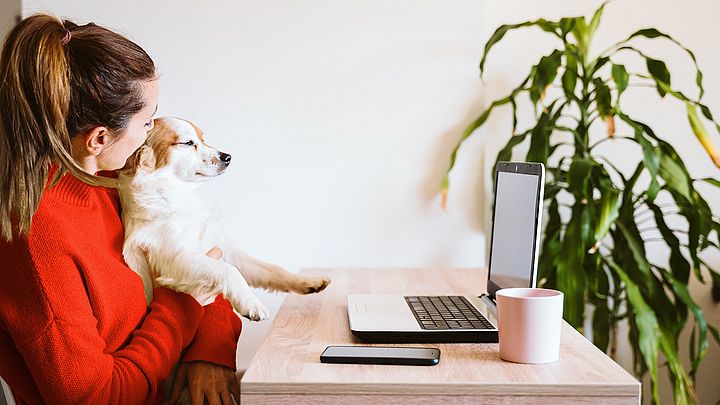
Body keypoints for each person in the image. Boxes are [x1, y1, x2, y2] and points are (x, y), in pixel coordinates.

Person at [0, 14, 243, 404]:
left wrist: (209, 352)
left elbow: (203, 258)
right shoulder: (34, 240)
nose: (151, 131)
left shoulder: (112, 185)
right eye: (147, 122)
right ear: (98, 138)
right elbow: (96, 397)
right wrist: (183, 307)